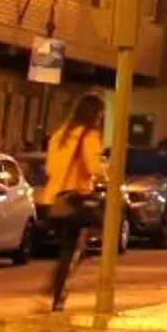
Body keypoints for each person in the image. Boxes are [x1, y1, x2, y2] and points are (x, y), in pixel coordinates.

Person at [38, 92, 108, 313]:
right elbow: (93, 167)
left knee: (68, 247)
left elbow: (50, 169)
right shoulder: (88, 135)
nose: (100, 119)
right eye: (100, 114)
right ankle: (58, 286)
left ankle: (57, 288)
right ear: (94, 114)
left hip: (53, 199)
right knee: (102, 229)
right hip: (76, 199)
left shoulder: (59, 135)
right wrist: (107, 171)